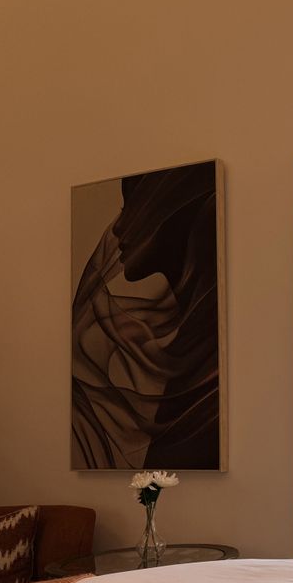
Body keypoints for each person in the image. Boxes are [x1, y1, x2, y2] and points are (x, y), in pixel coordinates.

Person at [71, 161, 220, 470]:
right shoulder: (192, 341)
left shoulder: (206, 348)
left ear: (168, 217)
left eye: (131, 208)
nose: (117, 228)